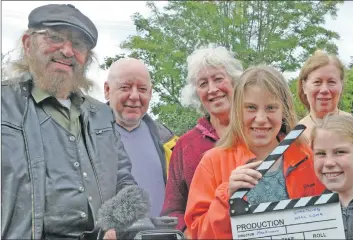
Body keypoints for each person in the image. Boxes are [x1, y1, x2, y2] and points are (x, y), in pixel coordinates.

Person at [1, 4, 136, 239]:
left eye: (78, 44)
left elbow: (126, 183)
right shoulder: (4, 106)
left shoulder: (102, 115)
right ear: (28, 43)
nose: (67, 50)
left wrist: (116, 226)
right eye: (54, 37)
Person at [184, 65, 325, 239]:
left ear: (284, 111)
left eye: (271, 108)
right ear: (237, 111)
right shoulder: (212, 162)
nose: (260, 119)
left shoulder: (305, 156)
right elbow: (198, 233)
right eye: (250, 107)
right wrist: (226, 195)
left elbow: (326, 219)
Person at [161, 45, 243, 235]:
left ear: (234, 82)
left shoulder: (257, 134)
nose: (212, 89)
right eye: (203, 83)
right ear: (196, 92)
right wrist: (186, 232)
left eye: (218, 79)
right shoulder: (185, 145)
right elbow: (173, 209)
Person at [104, 58, 178, 218]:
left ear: (150, 93)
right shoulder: (84, 136)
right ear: (107, 90)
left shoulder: (169, 140)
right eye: (125, 87)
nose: (135, 96)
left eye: (142, 89)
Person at [297, 50, 351, 141]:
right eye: (317, 82)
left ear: (341, 85)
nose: (324, 90)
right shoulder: (295, 134)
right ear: (304, 86)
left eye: (331, 82)